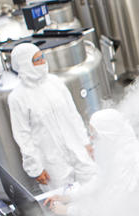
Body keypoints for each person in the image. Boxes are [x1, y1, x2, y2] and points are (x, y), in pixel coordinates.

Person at [44, 109, 139, 216]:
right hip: (131, 215)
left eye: (95, 135)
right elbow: (100, 179)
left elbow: (107, 207)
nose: (91, 139)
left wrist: (67, 210)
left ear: (108, 133)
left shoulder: (127, 158)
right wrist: (68, 197)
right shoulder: (117, 148)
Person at [8, 43, 96, 191]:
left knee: (94, 188)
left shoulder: (54, 82)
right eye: (37, 60)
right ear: (24, 64)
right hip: (53, 163)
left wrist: (85, 142)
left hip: (77, 150)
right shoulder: (17, 97)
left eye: (42, 57)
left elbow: (73, 114)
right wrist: (35, 168)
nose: (43, 62)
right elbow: (23, 137)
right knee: (65, 203)